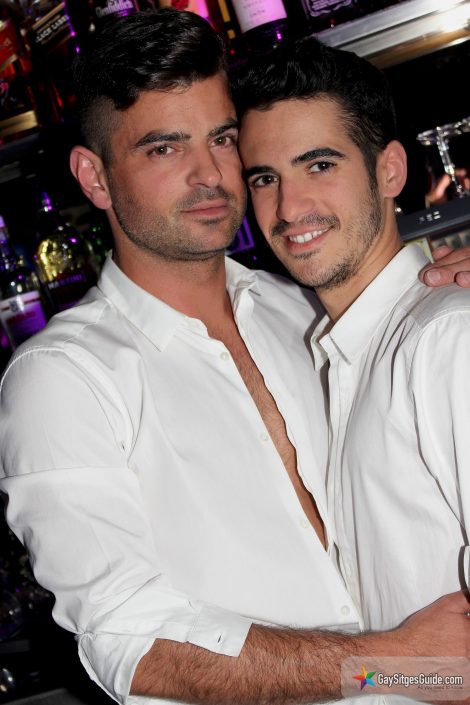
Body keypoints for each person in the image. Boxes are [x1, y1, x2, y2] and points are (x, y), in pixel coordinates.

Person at [0, 10, 469, 705]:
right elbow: (129, 642)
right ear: (94, 177)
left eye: (222, 138)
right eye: (164, 148)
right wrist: (392, 664)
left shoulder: (305, 309)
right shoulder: (64, 378)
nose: (211, 174)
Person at [235, 33, 470, 699]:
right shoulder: (336, 357)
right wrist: (366, 667)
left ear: (389, 171)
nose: (288, 208)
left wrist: (372, 669)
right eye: (265, 178)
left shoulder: (446, 338)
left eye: (319, 164)